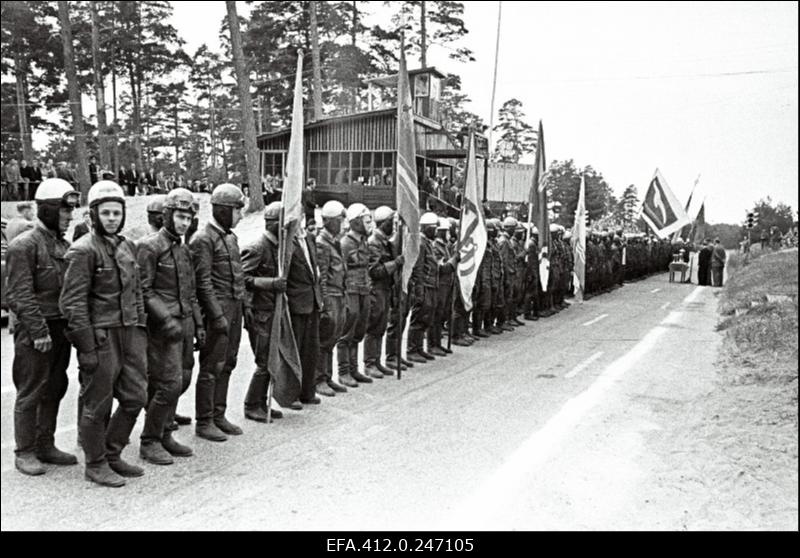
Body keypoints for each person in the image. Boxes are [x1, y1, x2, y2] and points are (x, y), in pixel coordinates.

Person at [60, 180, 149, 487]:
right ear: (94, 215)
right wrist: (86, 346)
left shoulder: (127, 247)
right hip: (101, 337)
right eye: (106, 213)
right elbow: (72, 303)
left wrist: (139, 327)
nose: (112, 218)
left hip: (129, 333)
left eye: (116, 213)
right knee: (97, 404)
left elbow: (137, 290)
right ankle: (95, 463)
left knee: (136, 396)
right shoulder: (82, 250)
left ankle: (112, 453)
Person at [7, 178, 81, 476]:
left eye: (71, 210)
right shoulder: (24, 245)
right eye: (65, 210)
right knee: (31, 390)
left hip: (60, 328)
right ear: (48, 209)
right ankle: (24, 451)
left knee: (55, 387)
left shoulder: (63, 245)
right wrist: (38, 332)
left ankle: (45, 444)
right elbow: (19, 295)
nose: (70, 216)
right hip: (36, 331)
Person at [136, 188, 202, 465]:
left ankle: (165, 433)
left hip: (184, 323)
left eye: (188, 218)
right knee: (168, 384)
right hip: (164, 327)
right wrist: (165, 319)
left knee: (183, 379)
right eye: (180, 217)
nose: (184, 223)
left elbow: (190, 291)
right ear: (167, 215)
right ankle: (150, 440)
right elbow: (144, 289)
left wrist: (198, 325)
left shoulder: (183, 249)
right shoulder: (150, 246)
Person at [189, 183, 246, 441]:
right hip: (218, 312)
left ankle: (218, 414)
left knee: (228, 363)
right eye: (237, 210)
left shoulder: (230, 237)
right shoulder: (203, 239)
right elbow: (203, 283)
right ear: (223, 210)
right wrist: (216, 316)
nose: (241, 216)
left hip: (234, 308)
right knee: (212, 366)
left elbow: (238, 276)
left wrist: (242, 309)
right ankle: (204, 420)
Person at [240, 201, 286, 423]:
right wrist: (271, 283)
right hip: (259, 312)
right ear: (274, 224)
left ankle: (261, 402)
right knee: (264, 361)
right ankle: (251, 405)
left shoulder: (278, 247)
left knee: (271, 359)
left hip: (271, 310)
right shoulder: (258, 247)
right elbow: (243, 279)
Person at [286, 215, 323, 407]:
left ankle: (308, 391)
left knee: (311, 350)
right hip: (296, 303)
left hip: (312, 301)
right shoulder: (287, 241)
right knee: (296, 350)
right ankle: (291, 394)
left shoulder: (309, 238)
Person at [337, 203, 375, 386]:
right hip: (351, 291)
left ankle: (354, 369)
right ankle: (344, 371)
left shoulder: (364, 242)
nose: (369, 225)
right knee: (347, 333)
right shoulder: (345, 244)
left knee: (359, 331)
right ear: (356, 222)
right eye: (366, 221)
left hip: (364, 290)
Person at [364, 206, 404, 378]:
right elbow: (374, 270)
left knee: (381, 327)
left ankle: (377, 361)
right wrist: (395, 264)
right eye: (391, 222)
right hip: (376, 289)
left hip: (385, 289)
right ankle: (369, 363)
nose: (393, 226)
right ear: (383, 223)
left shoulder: (385, 242)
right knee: (374, 327)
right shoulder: (374, 242)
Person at [315, 200, 348, 397]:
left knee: (333, 338)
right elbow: (322, 278)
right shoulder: (322, 244)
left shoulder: (334, 242)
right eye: (339, 220)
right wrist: (326, 304)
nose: (342, 224)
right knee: (325, 338)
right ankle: (319, 379)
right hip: (331, 296)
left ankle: (327, 376)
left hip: (339, 294)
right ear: (328, 221)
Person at [406, 212, 440, 363]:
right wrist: (419, 290)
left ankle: (419, 348)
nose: (436, 231)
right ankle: (412, 350)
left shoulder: (427, 243)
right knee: (418, 318)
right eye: (434, 228)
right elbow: (418, 269)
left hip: (430, 285)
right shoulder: (420, 244)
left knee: (425, 318)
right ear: (426, 228)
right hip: (424, 286)